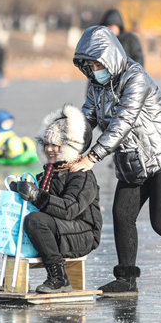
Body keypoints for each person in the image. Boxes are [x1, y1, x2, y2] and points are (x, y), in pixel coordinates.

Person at [71, 26, 161, 296]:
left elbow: (123, 122)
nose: (94, 69)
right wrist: (70, 145)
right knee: (122, 215)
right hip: (133, 158)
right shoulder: (96, 86)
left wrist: (92, 157)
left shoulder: (135, 78)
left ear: (111, 57)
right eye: (89, 65)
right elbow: (86, 119)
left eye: (98, 63)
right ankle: (127, 280)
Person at [10, 104, 103, 294]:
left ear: (68, 146)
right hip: (62, 231)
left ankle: (58, 277)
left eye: (56, 145)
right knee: (16, 217)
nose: (49, 149)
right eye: (47, 144)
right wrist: (19, 188)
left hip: (82, 233)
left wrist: (37, 196)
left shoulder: (81, 174)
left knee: (35, 221)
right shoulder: (50, 172)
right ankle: (11, 277)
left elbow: (70, 209)